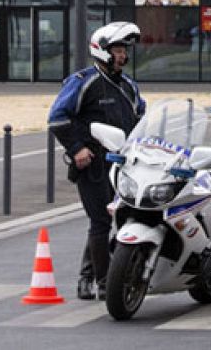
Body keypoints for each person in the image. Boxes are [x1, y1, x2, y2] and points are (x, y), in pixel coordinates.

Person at [47, 21, 146, 299]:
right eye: (117, 50)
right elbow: (57, 118)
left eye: (124, 50)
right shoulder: (83, 82)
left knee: (128, 220)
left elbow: (143, 119)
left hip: (124, 165)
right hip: (93, 164)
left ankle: (89, 275)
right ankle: (104, 282)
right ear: (101, 50)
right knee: (101, 221)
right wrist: (77, 148)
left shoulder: (129, 86)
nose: (122, 56)